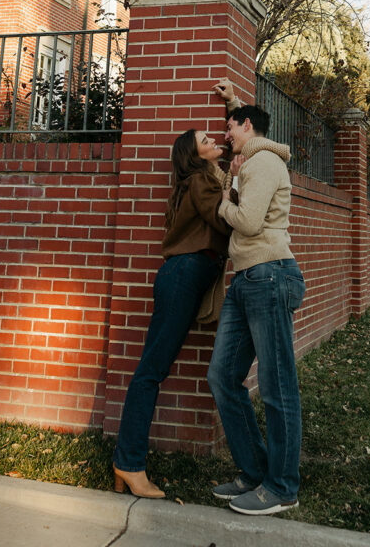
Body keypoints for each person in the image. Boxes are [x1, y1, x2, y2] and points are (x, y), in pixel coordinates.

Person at [112, 126, 233, 498]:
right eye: (206, 142)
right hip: (184, 275)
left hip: (183, 276)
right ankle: (129, 464)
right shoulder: (201, 181)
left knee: (152, 368)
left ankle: (124, 465)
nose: (214, 142)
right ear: (194, 155)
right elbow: (227, 221)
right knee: (151, 370)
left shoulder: (199, 179)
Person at [207, 79, 306, 516]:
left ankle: (282, 486)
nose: (225, 136)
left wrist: (223, 203)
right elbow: (242, 129)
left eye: (231, 127)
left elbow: (246, 222)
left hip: (268, 275)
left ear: (247, 128)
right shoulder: (250, 159)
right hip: (247, 278)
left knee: (277, 386)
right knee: (223, 377)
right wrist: (231, 101)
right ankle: (255, 471)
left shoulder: (264, 163)